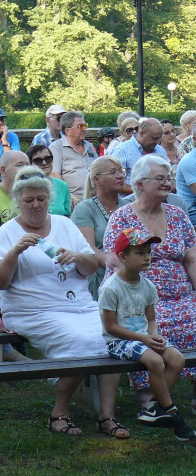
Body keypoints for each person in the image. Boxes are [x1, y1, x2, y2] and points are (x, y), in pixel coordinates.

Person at [0, 166, 128, 438]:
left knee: (112, 337)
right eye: (29, 200)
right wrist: (15, 252)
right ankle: (59, 412)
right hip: (33, 310)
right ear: (18, 202)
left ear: (49, 199)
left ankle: (107, 416)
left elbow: (90, 266)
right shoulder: (7, 233)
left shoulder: (63, 224)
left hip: (81, 306)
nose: (36, 205)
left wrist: (76, 256)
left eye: (41, 199)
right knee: (82, 342)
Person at [104, 154, 196, 404]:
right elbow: (115, 262)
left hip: (182, 296)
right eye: (160, 178)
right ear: (140, 184)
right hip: (141, 300)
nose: (167, 183)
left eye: (168, 178)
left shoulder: (177, 215)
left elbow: (191, 259)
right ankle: (150, 397)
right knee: (155, 327)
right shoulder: (123, 217)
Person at [101, 228, 196, 441]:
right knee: (155, 361)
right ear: (122, 257)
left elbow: (151, 320)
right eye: (140, 253)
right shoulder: (111, 288)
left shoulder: (148, 286)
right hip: (119, 341)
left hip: (143, 338)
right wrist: (144, 339)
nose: (147, 257)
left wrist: (155, 335)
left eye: (148, 252)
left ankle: (152, 406)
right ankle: (172, 411)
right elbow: (111, 328)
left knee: (177, 358)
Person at [71, 156, 128, 300]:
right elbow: (88, 249)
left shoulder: (128, 207)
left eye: (121, 171)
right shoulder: (85, 209)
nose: (120, 176)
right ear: (96, 180)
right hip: (101, 276)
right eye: (113, 172)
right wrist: (120, 269)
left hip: (131, 270)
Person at [49, 110, 98, 205]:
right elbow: (55, 175)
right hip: (74, 201)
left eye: (85, 126)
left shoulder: (89, 146)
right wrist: (67, 197)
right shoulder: (56, 148)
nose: (84, 129)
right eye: (80, 126)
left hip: (95, 199)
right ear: (67, 130)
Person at [116, 118, 167, 186]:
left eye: (159, 139)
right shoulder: (121, 150)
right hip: (130, 196)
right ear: (141, 133)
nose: (157, 142)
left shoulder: (160, 150)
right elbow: (115, 183)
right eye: (154, 138)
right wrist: (144, 191)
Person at [26, 144, 72, 216]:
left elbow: (68, 215)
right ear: (29, 164)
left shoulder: (62, 185)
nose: (44, 163)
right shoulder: (25, 186)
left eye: (48, 159)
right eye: (38, 160)